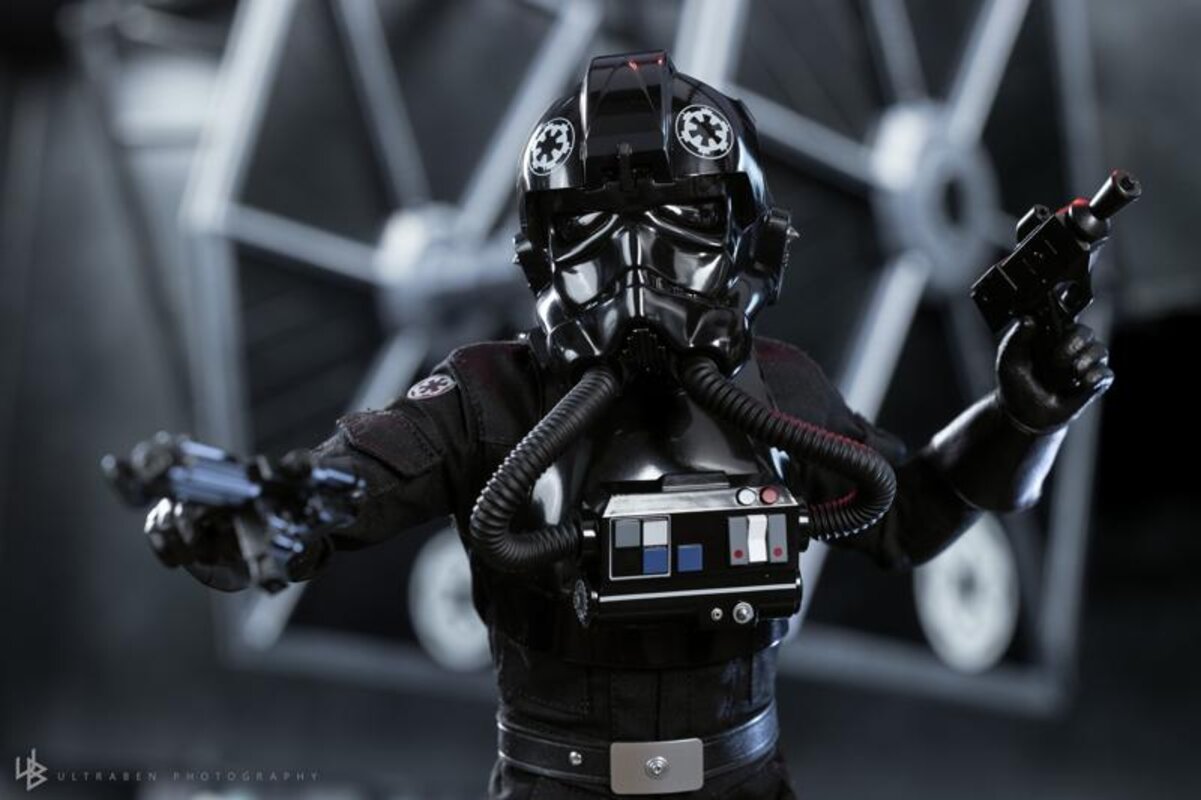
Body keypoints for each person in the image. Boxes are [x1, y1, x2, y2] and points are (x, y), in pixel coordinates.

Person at [136, 51, 1113, 798]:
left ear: (749, 244)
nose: (635, 266)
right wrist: (250, 514)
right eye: (589, 229)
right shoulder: (489, 393)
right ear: (539, 258)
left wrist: (1023, 415)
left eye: (683, 218)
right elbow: (348, 482)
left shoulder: (778, 388)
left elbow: (908, 514)